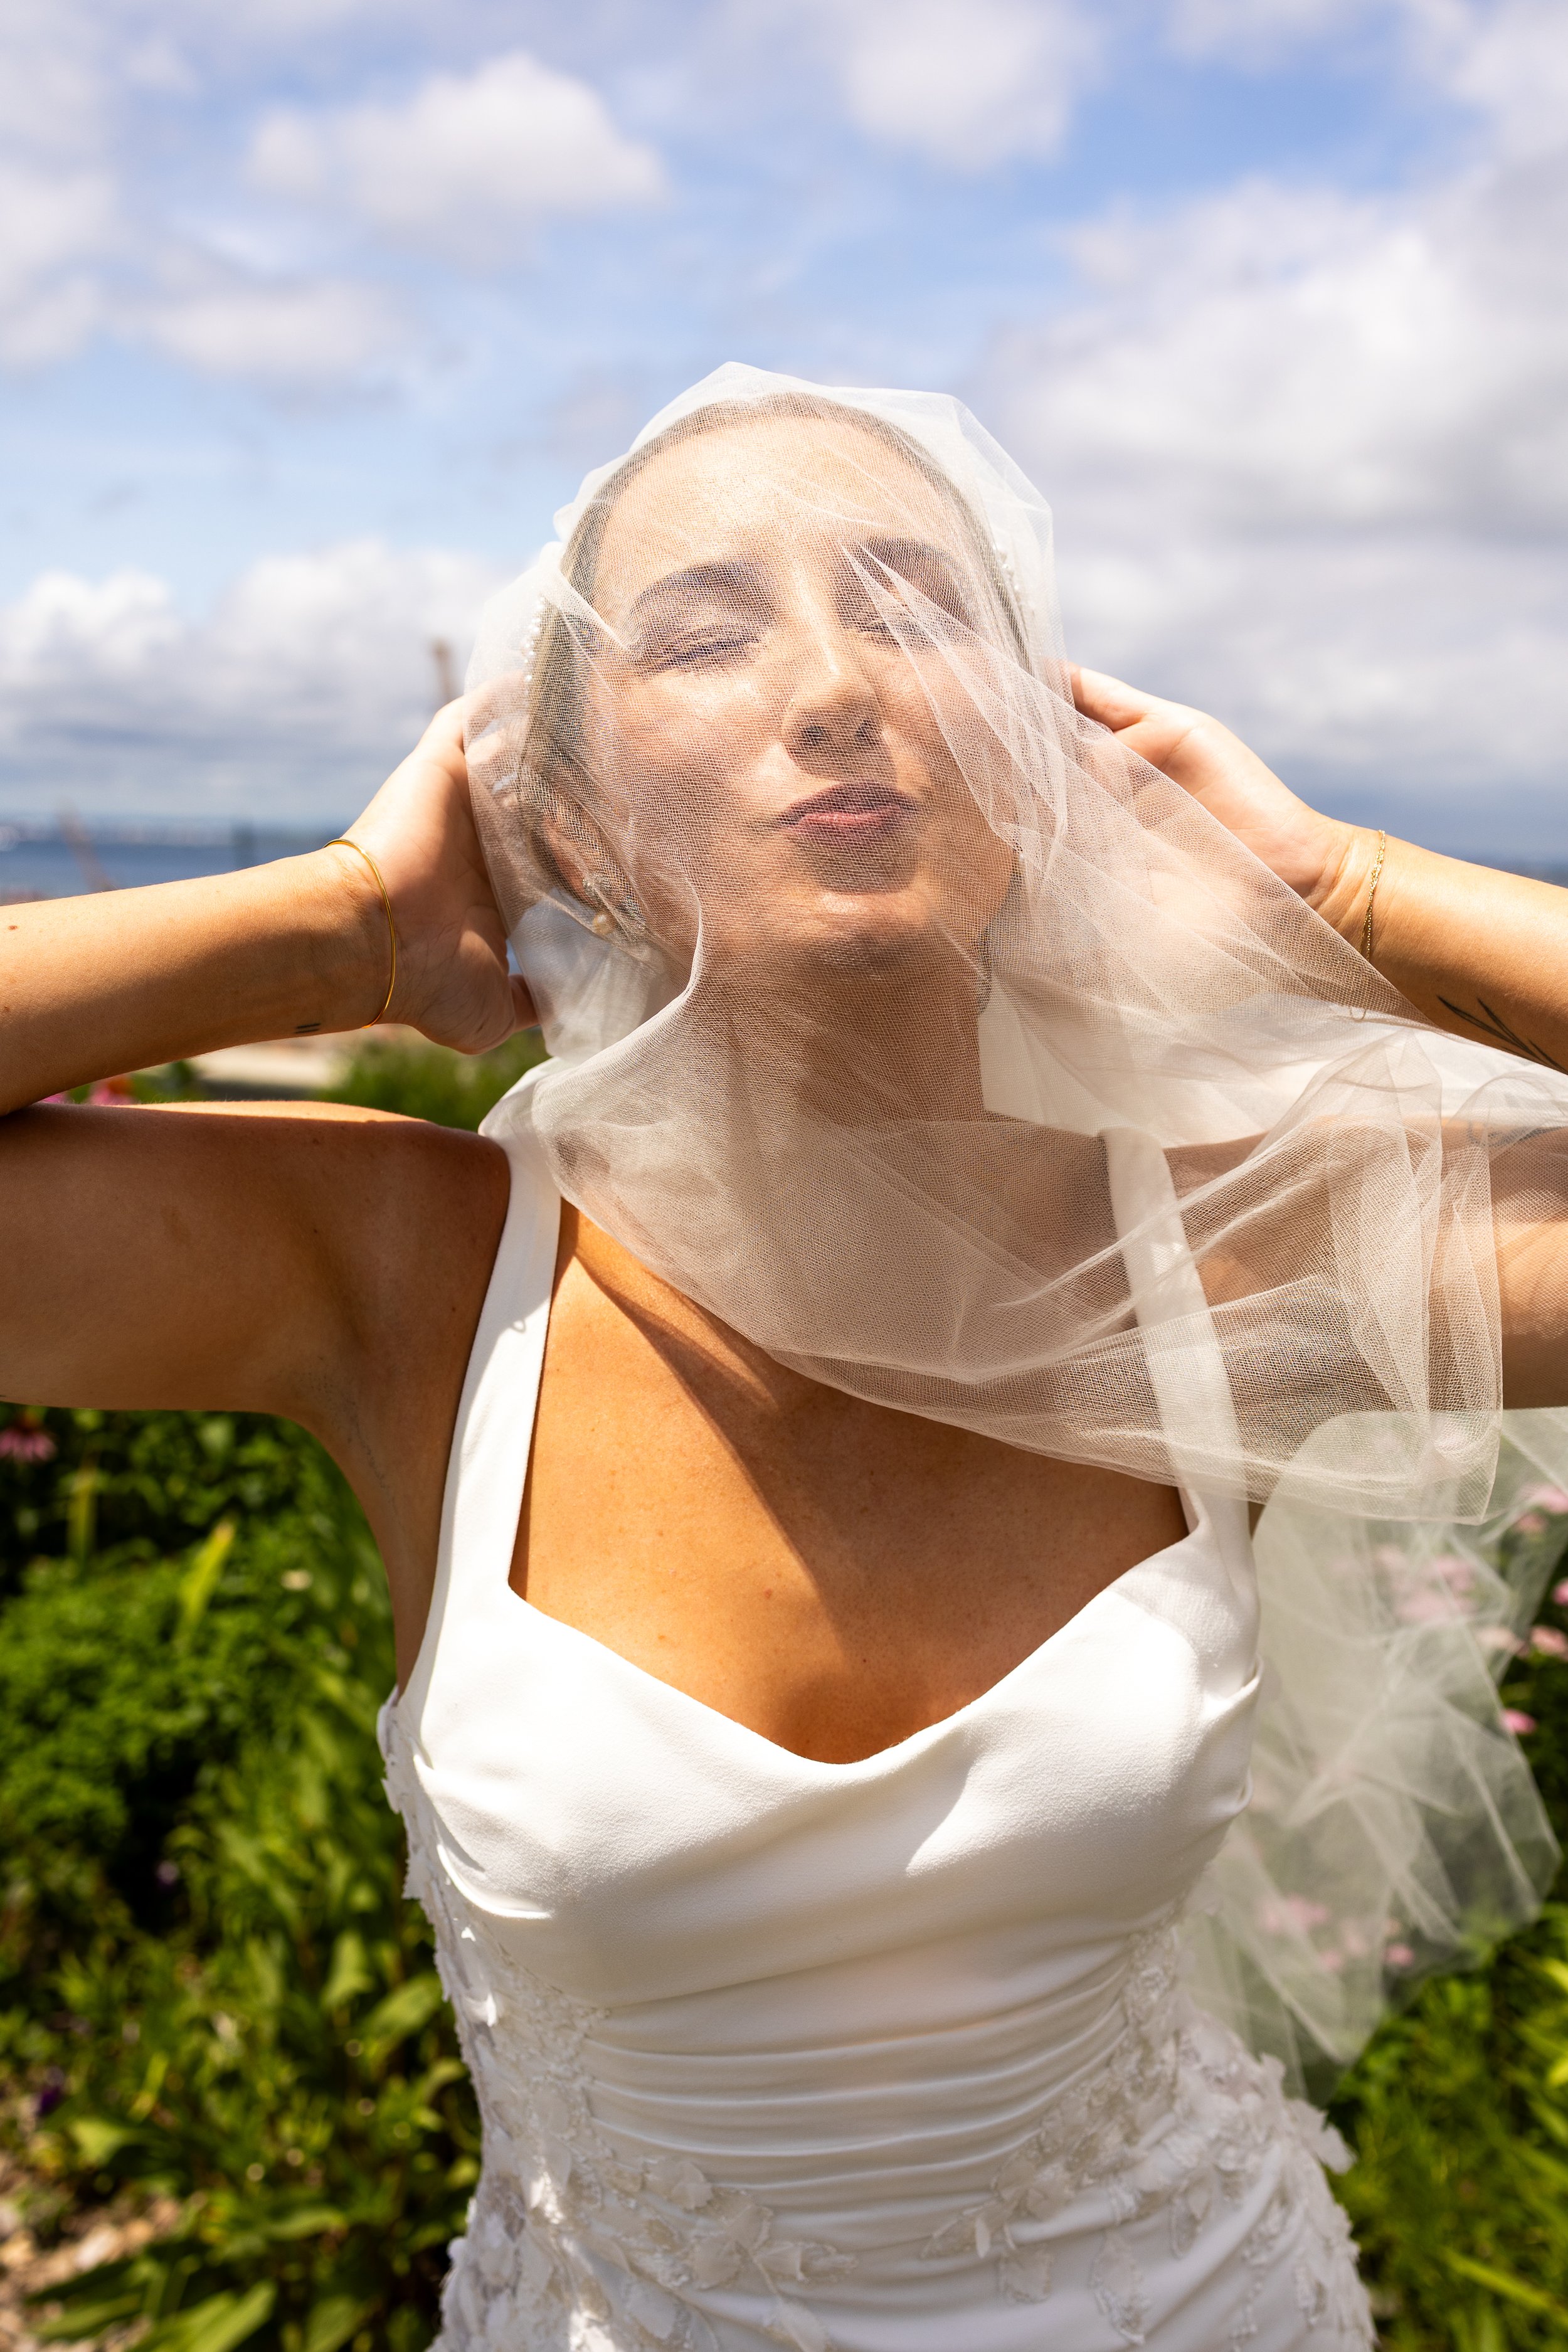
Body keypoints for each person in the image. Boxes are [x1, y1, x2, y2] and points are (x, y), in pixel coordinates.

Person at [3, 364, 1567, 2350]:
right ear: (558, 807)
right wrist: (342, 925)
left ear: (1041, 751)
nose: (834, 684)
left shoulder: (1236, 1254)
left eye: (916, 612)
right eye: (704, 634)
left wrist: (1346, 887)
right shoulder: (406, 1271)